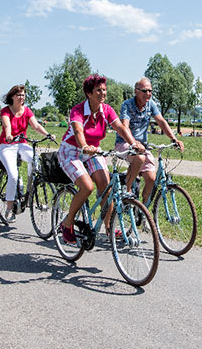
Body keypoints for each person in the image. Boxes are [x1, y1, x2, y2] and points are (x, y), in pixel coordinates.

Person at [57, 74, 144, 242]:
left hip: (94, 151)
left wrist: (133, 143)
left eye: (104, 89)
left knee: (106, 186)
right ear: (89, 93)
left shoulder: (107, 110)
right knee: (87, 187)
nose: (103, 93)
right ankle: (67, 223)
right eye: (99, 90)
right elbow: (78, 131)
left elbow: (120, 127)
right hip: (71, 152)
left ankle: (110, 228)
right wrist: (84, 146)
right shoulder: (78, 110)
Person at [114, 77, 184, 204]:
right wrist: (133, 143)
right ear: (136, 91)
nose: (148, 94)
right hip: (124, 143)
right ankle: (127, 191)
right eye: (145, 91)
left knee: (151, 179)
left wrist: (174, 139)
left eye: (150, 91)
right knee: (139, 158)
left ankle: (142, 211)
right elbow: (125, 126)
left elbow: (161, 121)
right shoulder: (127, 105)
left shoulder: (151, 105)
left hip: (142, 147)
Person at [0, 84, 54, 220]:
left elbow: (36, 125)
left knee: (35, 161)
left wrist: (47, 134)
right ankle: (9, 208)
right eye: (19, 95)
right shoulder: (6, 110)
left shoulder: (27, 111)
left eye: (23, 95)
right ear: (12, 96)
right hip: (7, 145)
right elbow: (7, 124)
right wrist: (9, 134)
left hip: (22, 144)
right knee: (13, 175)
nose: (21, 97)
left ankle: (29, 188)